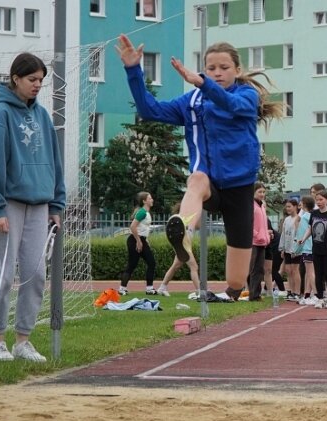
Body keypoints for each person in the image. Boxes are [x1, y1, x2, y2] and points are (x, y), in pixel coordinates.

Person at [117, 36, 282, 302]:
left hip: (240, 190)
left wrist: (204, 84)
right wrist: (133, 71)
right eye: (211, 68)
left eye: (224, 67)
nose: (217, 73)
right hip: (209, 184)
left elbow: (232, 105)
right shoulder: (192, 102)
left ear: (237, 71)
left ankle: (230, 291)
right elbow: (150, 111)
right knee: (195, 178)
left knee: (236, 281)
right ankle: (184, 233)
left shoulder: (246, 96)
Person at [0, 52, 66, 362]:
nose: (37, 85)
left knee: (35, 274)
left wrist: (56, 203)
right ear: (15, 78)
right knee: (2, 275)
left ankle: (23, 341)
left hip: (40, 205)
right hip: (9, 205)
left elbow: (55, 162)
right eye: (32, 79)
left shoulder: (42, 116)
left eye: (41, 80)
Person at [298, 190, 327, 308]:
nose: (319, 202)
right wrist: (304, 238)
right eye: (317, 200)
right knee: (318, 274)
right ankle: (320, 298)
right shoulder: (314, 213)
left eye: (321, 199)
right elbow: (311, 228)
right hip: (316, 248)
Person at [117, 192, 157, 296]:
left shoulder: (146, 213)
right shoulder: (142, 212)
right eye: (150, 198)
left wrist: (145, 241)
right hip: (134, 240)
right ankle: (122, 289)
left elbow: (143, 229)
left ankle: (149, 289)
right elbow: (132, 227)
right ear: (144, 201)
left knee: (151, 262)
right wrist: (138, 241)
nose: (152, 200)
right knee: (132, 264)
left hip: (141, 240)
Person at [247, 182, 270, 301]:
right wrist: (256, 234)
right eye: (259, 192)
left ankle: (255, 294)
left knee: (259, 269)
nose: (262, 194)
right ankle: (248, 293)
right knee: (251, 268)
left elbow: (263, 224)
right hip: (253, 242)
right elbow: (248, 223)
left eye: (263, 192)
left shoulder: (262, 206)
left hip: (262, 241)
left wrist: (266, 235)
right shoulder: (251, 205)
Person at [278, 199, 301, 301]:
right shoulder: (286, 220)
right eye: (286, 207)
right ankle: (291, 291)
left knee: (295, 270)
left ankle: (297, 292)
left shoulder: (299, 219)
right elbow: (283, 234)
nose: (287, 209)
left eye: (289, 206)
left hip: (295, 249)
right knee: (288, 270)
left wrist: (295, 249)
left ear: (295, 206)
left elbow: (299, 234)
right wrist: (282, 248)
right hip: (287, 249)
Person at [296, 196, 317, 305]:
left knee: (310, 273)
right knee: (311, 272)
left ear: (304, 204)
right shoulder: (314, 215)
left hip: (308, 247)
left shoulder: (304, 217)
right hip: (314, 247)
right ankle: (307, 294)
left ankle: (316, 295)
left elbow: (302, 233)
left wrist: (297, 248)